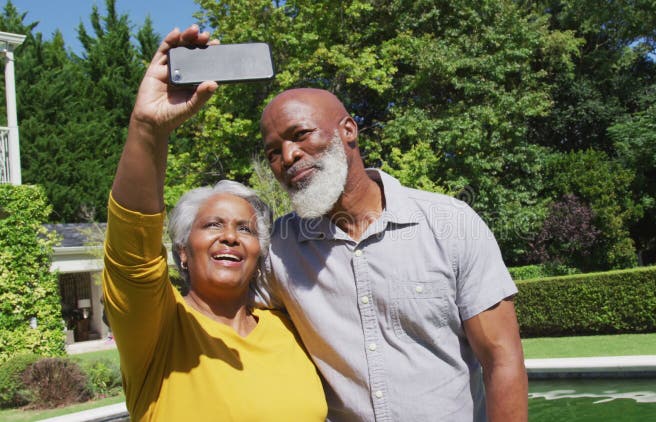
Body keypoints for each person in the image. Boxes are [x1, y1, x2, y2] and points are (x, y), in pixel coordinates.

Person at [260, 88, 529, 421]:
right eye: (273, 152)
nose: (287, 157)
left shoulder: (450, 223)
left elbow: (502, 359)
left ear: (348, 130)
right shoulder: (277, 250)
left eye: (300, 135)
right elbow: (204, 310)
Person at [102, 27, 326, 421]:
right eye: (212, 226)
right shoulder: (159, 330)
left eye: (245, 228)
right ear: (183, 252)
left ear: (260, 253)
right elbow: (131, 253)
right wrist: (147, 129)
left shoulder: (290, 327)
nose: (230, 237)